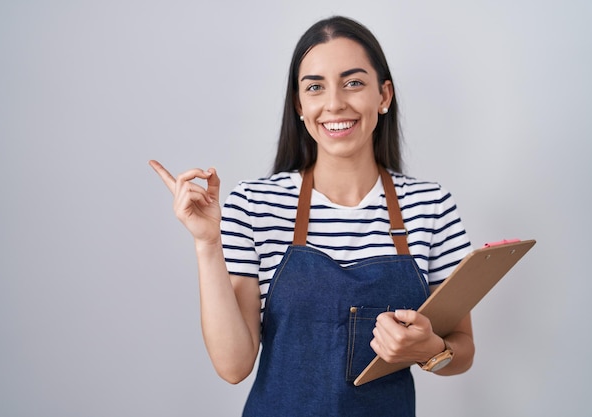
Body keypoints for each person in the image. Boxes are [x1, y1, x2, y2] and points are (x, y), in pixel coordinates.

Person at [150, 15, 475, 417]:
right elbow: (233, 367)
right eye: (316, 87)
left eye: (353, 82)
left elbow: (462, 348)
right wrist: (207, 243)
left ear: (384, 95)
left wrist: (432, 350)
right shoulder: (252, 205)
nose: (335, 102)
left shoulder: (431, 206)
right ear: (299, 105)